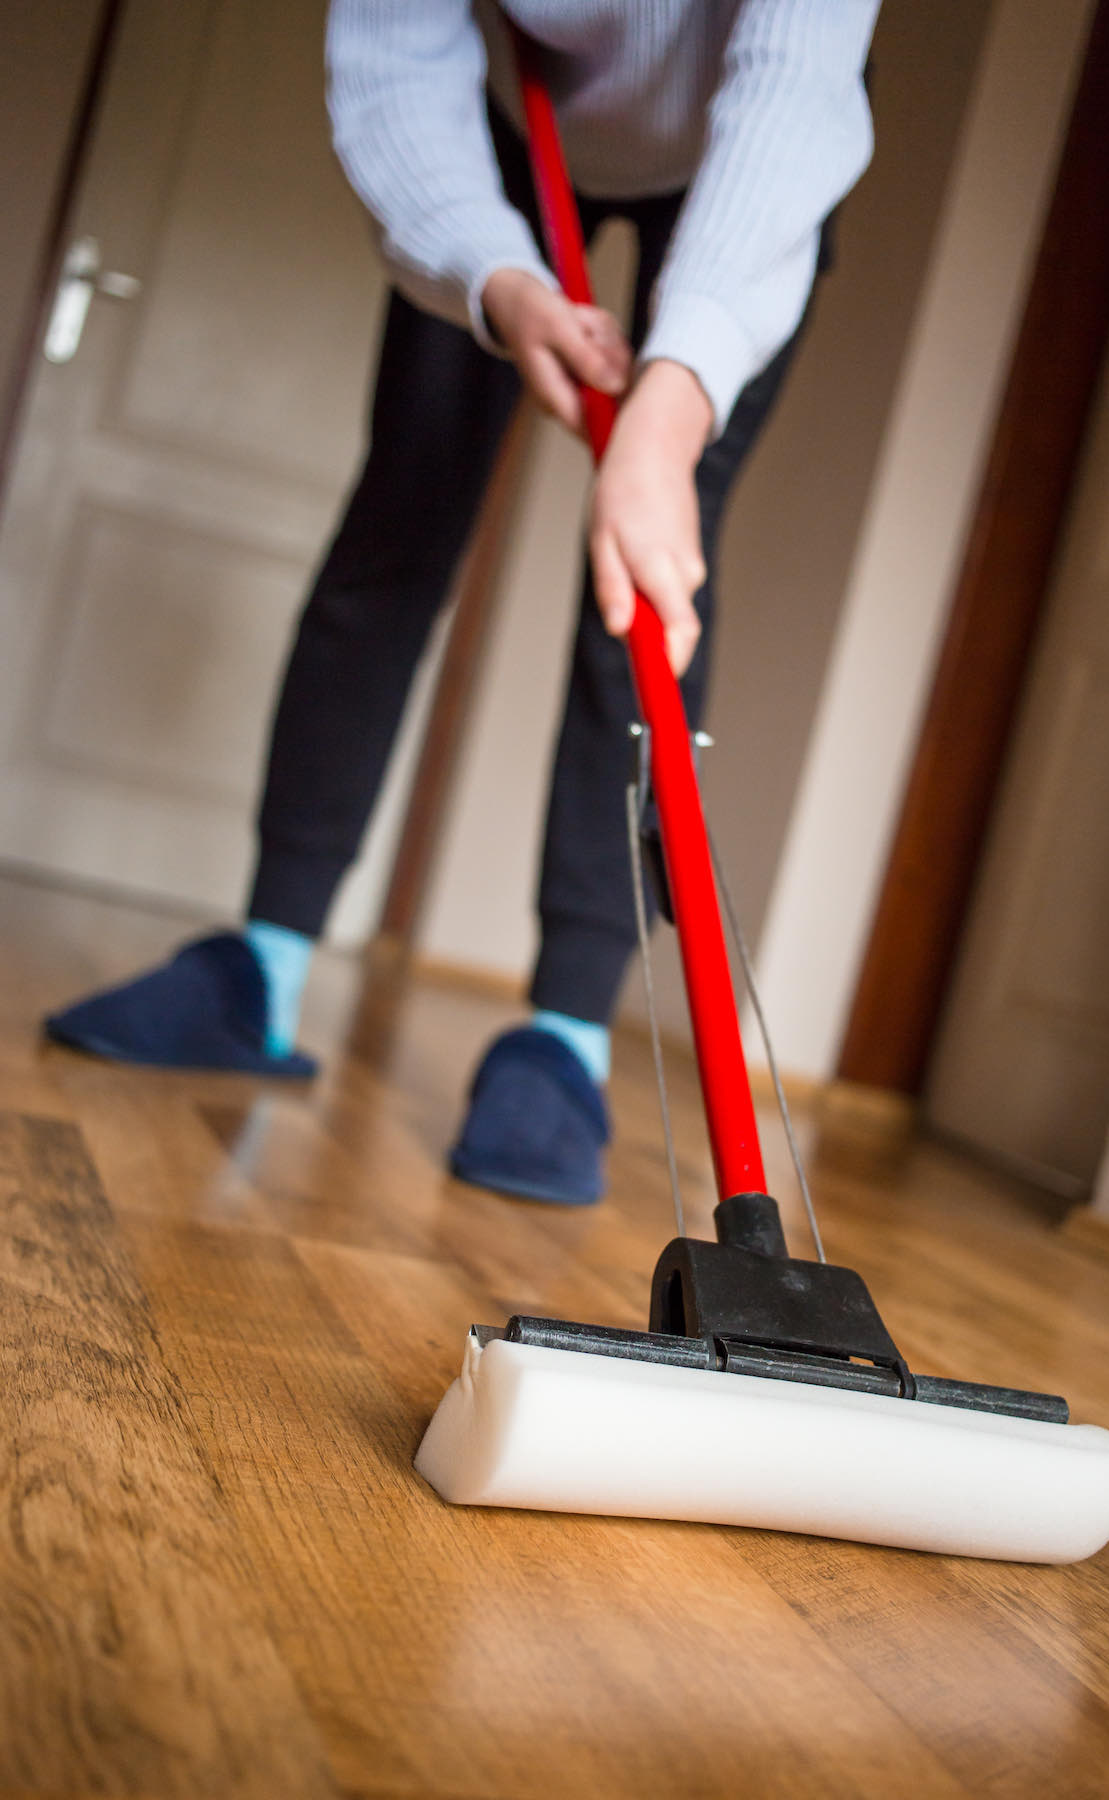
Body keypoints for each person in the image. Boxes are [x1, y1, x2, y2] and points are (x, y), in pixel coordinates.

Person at [45, 0, 880, 1205]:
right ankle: (263, 964)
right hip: (501, 140)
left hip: (740, 165)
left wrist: (681, 384)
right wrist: (490, 273)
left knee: (645, 583)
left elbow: (796, 90)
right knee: (401, 517)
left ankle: (565, 1040)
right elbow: (391, 62)